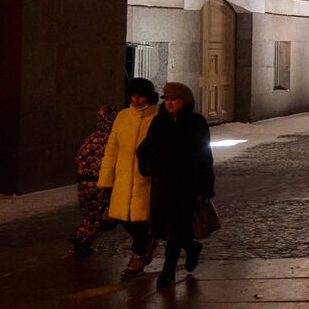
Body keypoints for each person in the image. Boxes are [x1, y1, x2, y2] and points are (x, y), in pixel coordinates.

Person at [137, 82, 214, 288]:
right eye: (167, 100)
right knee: (166, 228)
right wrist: (148, 166)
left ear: (185, 101)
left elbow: (204, 155)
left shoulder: (196, 122)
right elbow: (145, 148)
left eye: (174, 99)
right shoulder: (159, 122)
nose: (170, 103)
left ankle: (168, 271)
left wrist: (204, 186)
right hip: (163, 183)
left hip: (186, 184)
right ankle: (191, 247)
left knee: (175, 228)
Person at [98, 77, 160, 278]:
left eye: (140, 96)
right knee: (119, 215)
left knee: (140, 218)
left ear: (148, 96)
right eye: (133, 95)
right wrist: (106, 178)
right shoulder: (123, 117)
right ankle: (146, 243)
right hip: (123, 177)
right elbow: (112, 148)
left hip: (146, 178)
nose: (136, 100)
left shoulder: (158, 116)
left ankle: (138, 255)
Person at [70, 105, 118, 256]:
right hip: (99, 184)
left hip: (83, 183)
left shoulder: (90, 138)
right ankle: (81, 241)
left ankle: (79, 240)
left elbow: (78, 158)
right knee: (100, 218)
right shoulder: (111, 139)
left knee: (88, 215)